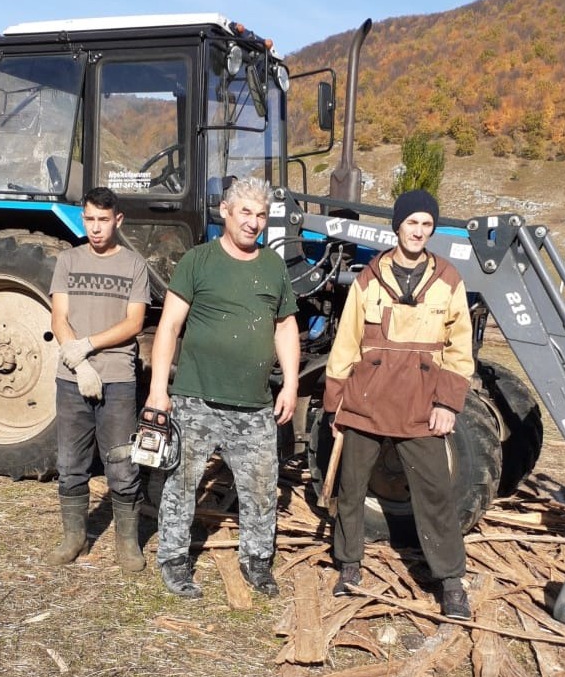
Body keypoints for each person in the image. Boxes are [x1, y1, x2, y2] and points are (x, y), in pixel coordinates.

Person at [324, 189, 475, 620]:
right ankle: (349, 566)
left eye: (427, 225)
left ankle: (450, 582)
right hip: (365, 402)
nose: (419, 231)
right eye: (412, 223)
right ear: (397, 226)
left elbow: (459, 349)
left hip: (420, 405)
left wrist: (447, 402)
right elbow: (346, 342)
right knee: (350, 489)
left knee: (436, 494)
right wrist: (336, 405)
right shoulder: (370, 278)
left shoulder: (447, 280)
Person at [146, 176, 300, 599]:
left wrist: (290, 383)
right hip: (197, 398)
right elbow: (170, 326)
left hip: (253, 405)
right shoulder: (199, 260)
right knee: (181, 482)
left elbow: (285, 326)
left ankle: (256, 560)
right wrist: (160, 389)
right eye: (245, 212)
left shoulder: (273, 267)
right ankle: (175, 560)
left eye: (261, 215)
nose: (253, 222)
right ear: (226, 212)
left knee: (262, 486)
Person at [48, 187, 151, 572]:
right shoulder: (68, 260)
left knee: (122, 463)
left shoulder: (134, 265)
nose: (95, 227)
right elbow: (59, 317)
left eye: (103, 220)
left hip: (117, 379)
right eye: (89, 219)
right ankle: (75, 537)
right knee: (71, 461)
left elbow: (135, 322)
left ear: (117, 221)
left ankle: (127, 542)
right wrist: (79, 363)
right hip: (72, 377)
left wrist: (89, 346)